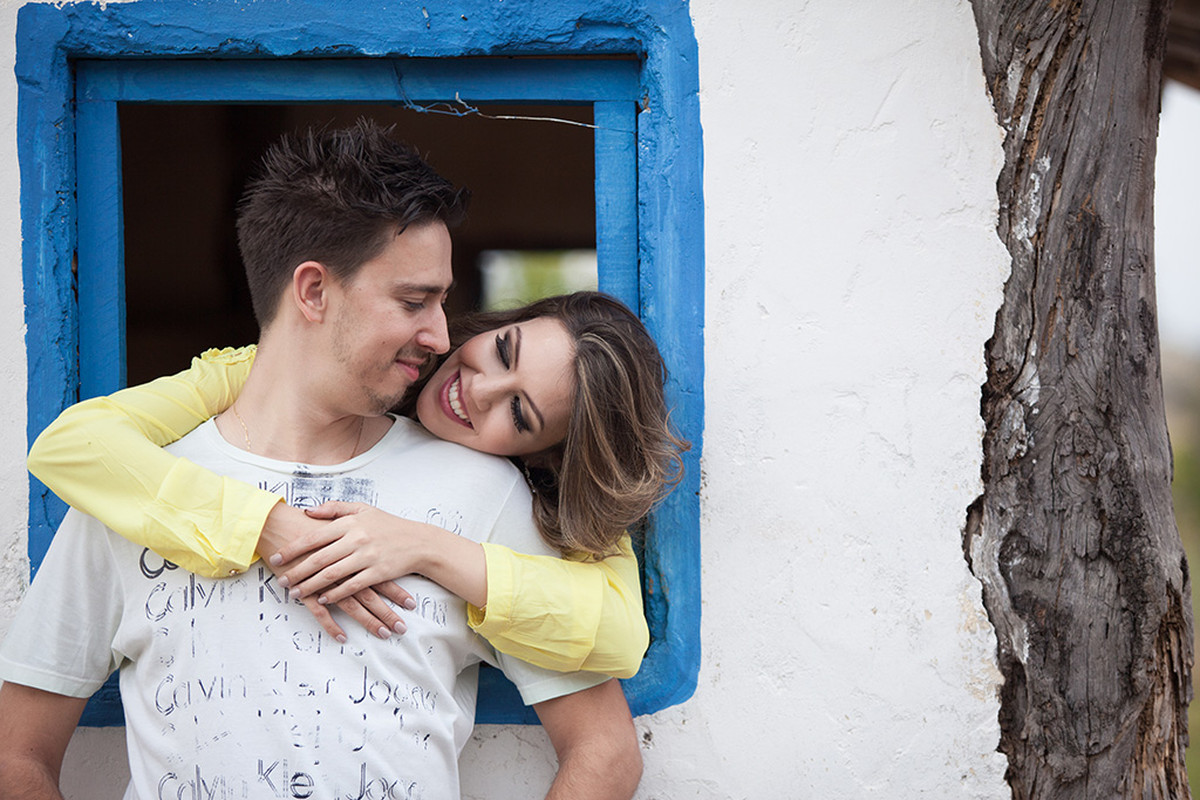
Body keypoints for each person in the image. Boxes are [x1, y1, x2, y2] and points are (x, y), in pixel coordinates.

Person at [0, 120, 642, 799]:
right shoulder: (134, 488)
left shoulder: (485, 493)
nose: (442, 335)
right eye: (414, 301)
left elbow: (604, 749)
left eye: (443, 302)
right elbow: (18, 756)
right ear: (312, 291)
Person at [27, 291, 685, 676]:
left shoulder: (510, 498)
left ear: (542, 457)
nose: (478, 388)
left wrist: (427, 549)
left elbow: (621, 635)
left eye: (519, 412)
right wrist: (267, 526)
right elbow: (71, 446)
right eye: (502, 353)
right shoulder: (265, 375)